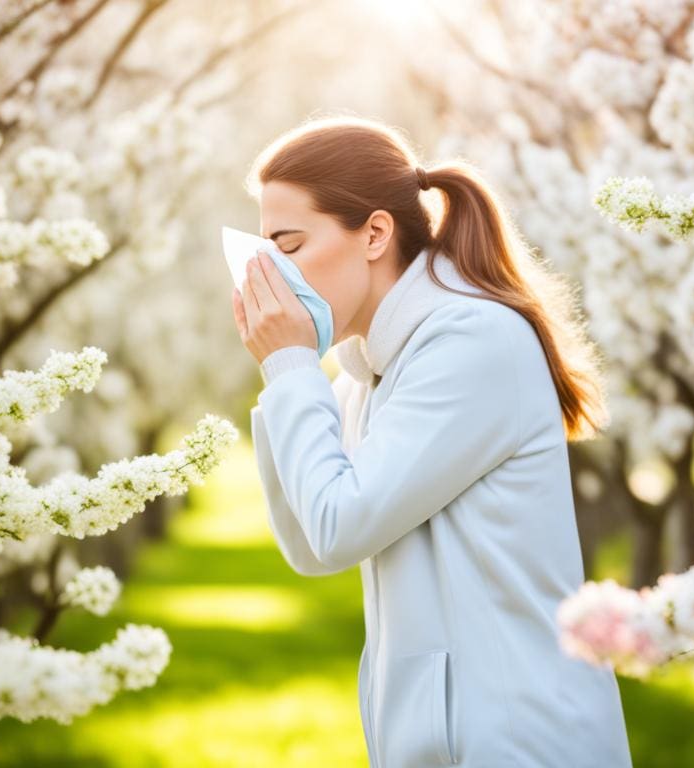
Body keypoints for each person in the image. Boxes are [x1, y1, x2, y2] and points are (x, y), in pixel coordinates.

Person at [230, 115, 633, 768]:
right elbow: (310, 545)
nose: (270, 272)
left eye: (291, 244)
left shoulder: (471, 341)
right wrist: (287, 373)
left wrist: (291, 366)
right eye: (264, 251)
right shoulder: (370, 372)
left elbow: (337, 524)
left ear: (375, 234)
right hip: (439, 742)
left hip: (521, 741)